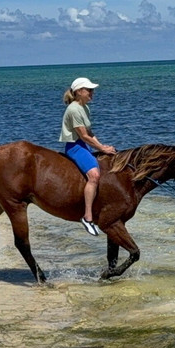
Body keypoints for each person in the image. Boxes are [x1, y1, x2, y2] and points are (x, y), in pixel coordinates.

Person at [59, 77, 116, 235]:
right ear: (78, 92)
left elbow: (90, 133)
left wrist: (102, 146)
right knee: (94, 176)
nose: (92, 93)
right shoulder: (74, 109)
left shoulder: (84, 108)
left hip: (83, 145)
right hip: (75, 147)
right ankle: (88, 217)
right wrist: (102, 149)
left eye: (92, 90)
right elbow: (83, 136)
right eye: (89, 90)